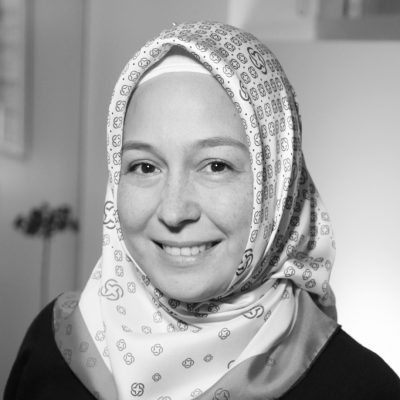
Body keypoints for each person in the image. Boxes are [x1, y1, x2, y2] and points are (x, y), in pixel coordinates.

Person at [4, 21, 400, 400]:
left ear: (278, 186)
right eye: (145, 167)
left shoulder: (361, 389)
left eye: (216, 166)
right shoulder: (53, 347)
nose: (174, 211)